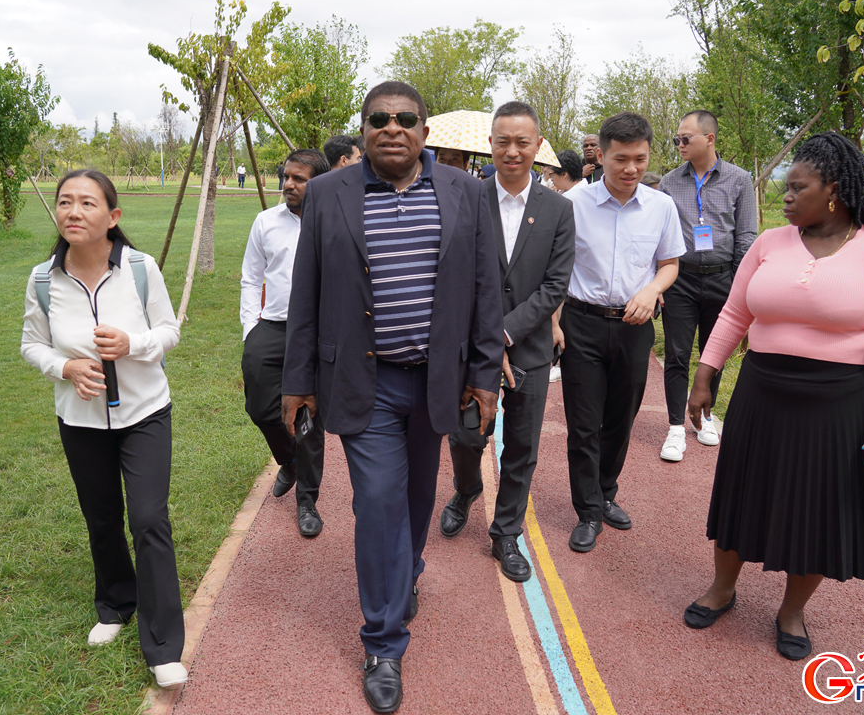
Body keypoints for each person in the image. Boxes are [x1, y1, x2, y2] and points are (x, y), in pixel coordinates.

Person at [282, 80, 502, 714]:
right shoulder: (328, 194)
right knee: (378, 501)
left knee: (414, 497)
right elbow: (307, 293)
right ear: (365, 129)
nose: (393, 128)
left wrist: (484, 376)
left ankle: (402, 573)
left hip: (436, 380)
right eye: (379, 119)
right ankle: (383, 641)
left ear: (424, 132)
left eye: (406, 118)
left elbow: (488, 290)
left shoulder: (467, 191)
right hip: (363, 382)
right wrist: (298, 381)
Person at [682, 132, 864, 661]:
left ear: (833, 191)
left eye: (798, 187)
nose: (785, 197)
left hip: (840, 403)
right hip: (762, 392)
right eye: (784, 188)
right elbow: (733, 315)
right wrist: (705, 374)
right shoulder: (770, 243)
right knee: (744, 492)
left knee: (819, 508)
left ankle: (791, 611)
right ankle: (723, 588)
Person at [20, 169, 187, 689]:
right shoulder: (43, 279)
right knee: (101, 517)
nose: (74, 212)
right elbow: (32, 343)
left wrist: (131, 344)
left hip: (144, 414)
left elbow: (169, 331)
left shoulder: (139, 268)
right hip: (81, 419)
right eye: (65, 202)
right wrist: (65, 368)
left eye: (87, 203)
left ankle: (163, 646)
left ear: (112, 217)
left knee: (148, 519)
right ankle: (115, 604)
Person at [439, 101, 575, 584]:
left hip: (531, 350)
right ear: (489, 145)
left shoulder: (558, 209)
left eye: (523, 142)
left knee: (521, 446)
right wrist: (484, 340)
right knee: (465, 436)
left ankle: (505, 532)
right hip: (471, 350)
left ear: (538, 146)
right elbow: (452, 275)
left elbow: (555, 285)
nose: (512, 151)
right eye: (503, 141)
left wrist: (505, 333)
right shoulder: (465, 198)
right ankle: (465, 491)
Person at [561, 112, 684, 552]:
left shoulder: (661, 206)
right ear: (602, 156)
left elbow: (670, 264)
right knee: (583, 421)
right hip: (582, 325)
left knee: (620, 418)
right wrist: (555, 323)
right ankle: (588, 510)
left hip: (634, 329)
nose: (630, 168)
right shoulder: (574, 204)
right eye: (620, 159)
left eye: (639, 158)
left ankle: (606, 491)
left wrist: (652, 290)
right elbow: (559, 270)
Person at [240, 149, 331, 537]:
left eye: (299, 179)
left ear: (319, 183)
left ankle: (307, 499)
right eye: (286, 177)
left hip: (316, 331)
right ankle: (289, 461)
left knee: (309, 418)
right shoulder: (266, 222)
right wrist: (250, 328)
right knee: (260, 407)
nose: (289, 184)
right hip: (272, 328)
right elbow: (250, 277)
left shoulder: (333, 222)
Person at [658, 110, 758, 462]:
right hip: (681, 279)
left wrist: (740, 286)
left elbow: (746, 236)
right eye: (677, 139)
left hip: (722, 279)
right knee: (677, 353)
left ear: (710, 139)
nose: (680, 144)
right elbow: (661, 237)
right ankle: (673, 427)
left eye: (686, 138)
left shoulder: (739, 180)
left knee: (712, 353)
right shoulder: (670, 182)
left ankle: (704, 417)